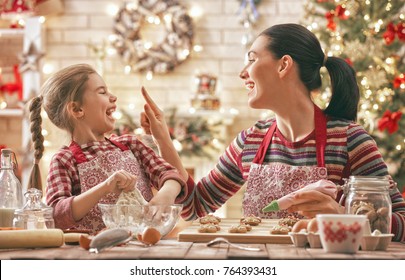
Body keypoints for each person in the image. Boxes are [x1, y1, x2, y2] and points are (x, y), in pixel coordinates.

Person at [140, 23, 405, 242]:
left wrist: (343, 215)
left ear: (283, 65)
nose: (243, 73)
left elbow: (401, 224)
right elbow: (195, 206)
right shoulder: (250, 142)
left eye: (252, 60)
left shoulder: (349, 141)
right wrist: (162, 136)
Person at [28, 64, 186, 234]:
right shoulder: (65, 159)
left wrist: (165, 195)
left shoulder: (131, 145)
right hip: (93, 254)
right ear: (77, 109)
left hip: (142, 245)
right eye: (102, 92)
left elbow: (172, 175)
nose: (113, 97)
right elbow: (57, 216)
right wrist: (105, 187)